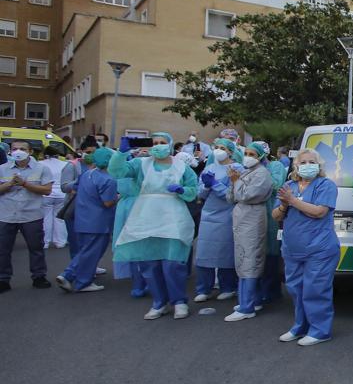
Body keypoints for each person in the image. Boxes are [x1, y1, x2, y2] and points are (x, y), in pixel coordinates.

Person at [110, 133, 200, 319]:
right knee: (149, 262)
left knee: (173, 263)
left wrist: (183, 190)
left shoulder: (182, 167)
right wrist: (120, 153)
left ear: (170, 144)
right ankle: (159, 302)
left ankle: (179, 301)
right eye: (154, 143)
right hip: (146, 216)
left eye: (162, 143)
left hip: (173, 218)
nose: (158, 146)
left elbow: (193, 191)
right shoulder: (140, 164)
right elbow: (117, 172)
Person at [273, 149, 340, 346]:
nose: (308, 164)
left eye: (312, 161)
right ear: (296, 166)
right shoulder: (289, 185)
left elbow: (319, 212)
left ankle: (320, 330)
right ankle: (300, 326)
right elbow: (276, 215)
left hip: (319, 248)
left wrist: (292, 201)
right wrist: (285, 205)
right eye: (304, 161)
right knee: (296, 289)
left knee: (315, 289)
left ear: (319, 166)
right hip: (293, 248)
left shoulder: (325, 185)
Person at [223, 142, 275, 322]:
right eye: (246, 153)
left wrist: (236, 182)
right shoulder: (246, 172)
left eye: (252, 154)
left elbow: (247, 195)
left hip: (253, 218)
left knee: (251, 259)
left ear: (261, 156)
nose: (248, 156)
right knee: (242, 258)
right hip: (242, 218)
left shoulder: (263, 174)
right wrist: (233, 181)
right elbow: (231, 197)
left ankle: (247, 307)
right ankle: (251, 300)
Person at [56, 148, 119, 292]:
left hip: (82, 218)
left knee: (85, 250)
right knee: (91, 252)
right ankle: (75, 278)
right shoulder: (108, 179)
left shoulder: (87, 174)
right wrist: (119, 197)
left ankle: (75, 277)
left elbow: (74, 187)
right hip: (99, 222)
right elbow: (108, 203)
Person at [0, 141, 54, 292]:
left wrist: (24, 184)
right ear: (10, 151)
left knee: (36, 247)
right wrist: (9, 184)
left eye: (22, 149)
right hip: (6, 215)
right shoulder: (2, 169)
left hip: (31, 215)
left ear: (30, 151)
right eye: (15, 149)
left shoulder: (42, 168)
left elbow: (47, 190)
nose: (18, 151)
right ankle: (3, 279)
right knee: (3, 250)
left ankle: (39, 276)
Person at [193, 138, 242, 302]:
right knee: (204, 251)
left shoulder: (236, 168)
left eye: (223, 148)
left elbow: (233, 195)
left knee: (225, 251)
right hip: (209, 214)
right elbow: (201, 194)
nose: (219, 150)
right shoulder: (210, 168)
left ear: (230, 151)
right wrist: (206, 186)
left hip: (227, 214)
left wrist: (215, 184)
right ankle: (203, 289)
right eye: (217, 147)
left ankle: (228, 287)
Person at [258, 142, 288, 307]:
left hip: (271, 213)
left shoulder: (275, 166)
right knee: (257, 252)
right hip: (254, 215)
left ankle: (271, 291)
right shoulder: (246, 169)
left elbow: (275, 185)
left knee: (272, 252)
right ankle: (258, 290)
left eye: (254, 154)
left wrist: (260, 175)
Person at [40, 148, 69, 249]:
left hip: (46, 193)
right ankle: (60, 241)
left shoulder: (41, 164)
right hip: (61, 194)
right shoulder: (65, 164)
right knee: (60, 218)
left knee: (46, 218)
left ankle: (45, 242)